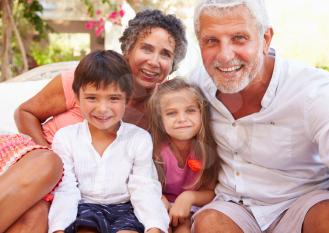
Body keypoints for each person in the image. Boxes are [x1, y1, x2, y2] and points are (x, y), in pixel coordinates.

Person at [12, 9, 187, 233]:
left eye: (166, 54)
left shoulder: (167, 105)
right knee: (34, 218)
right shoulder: (87, 79)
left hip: (98, 195)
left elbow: (144, 172)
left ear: (173, 64)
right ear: (128, 49)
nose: (154, 61)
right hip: (49, 171)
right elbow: (24, 113)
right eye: (146, 48)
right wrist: (50, 162)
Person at [190, 0, 329, 233]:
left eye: (239, 38)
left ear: (265, 39)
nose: (224, 56)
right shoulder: (197, 86)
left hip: (304, 202)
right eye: (211, 41)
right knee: (210, 223)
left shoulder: (314, 90)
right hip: (235, 207)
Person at [48, 50, 168, 233]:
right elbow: (66, 190)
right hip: (84, 206)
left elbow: (144, 187)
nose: (102, 109)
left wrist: (154, 226)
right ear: (77, 96)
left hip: (125, 208)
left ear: (127, 99)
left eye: (113, 98)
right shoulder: (65, 138)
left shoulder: (139, 139)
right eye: (91, 98)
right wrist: (58, 228)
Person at [148, 78, 221, 233]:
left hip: (192, 210)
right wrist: (159, 201)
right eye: (171, 113)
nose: (182, 119)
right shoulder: (155, 151)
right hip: (159, 206)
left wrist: (188, 197)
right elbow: (145, 186)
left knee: (184, 229)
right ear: (160, 120)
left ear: (201, 113)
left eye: (190, 110)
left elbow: (211, 191)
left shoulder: (206, 151)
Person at [0, 133, 62, 233]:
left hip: (60, 192)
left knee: (36, 213)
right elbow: (26, 116)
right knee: (45, 163)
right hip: (24, 157)